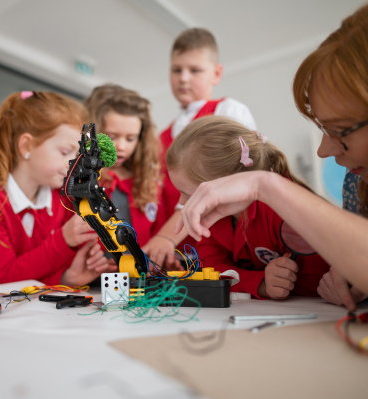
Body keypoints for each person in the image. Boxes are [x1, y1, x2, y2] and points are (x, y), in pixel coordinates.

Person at [175, 0, 368, 321]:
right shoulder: (361, 183)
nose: (323, 151)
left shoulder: (282, 212)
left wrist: (265, 186)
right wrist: (355, 274)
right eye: (323, 129)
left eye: (340, 130)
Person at [0, 91, 115, 288]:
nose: (74, 164)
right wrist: (64, 239)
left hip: (16, 297)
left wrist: (70, 274)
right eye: (65, 152)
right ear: (27, 145)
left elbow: (47, 267)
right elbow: (7, 277)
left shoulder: (61, 199)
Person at [166, 116, 330, 299]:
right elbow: (210, 268)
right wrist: (261, 283)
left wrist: (281, 281)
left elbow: (325, 277)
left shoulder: (279, 204)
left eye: (188, 193)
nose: (181, 201)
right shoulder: (214, 217)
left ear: (223, 183)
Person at [146, 27, 257, 270]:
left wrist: (166, 237)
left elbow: (230, 182)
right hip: (174, 254)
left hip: (218, 247)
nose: (183, 78)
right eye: (176, 70)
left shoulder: (228, 110)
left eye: (194, 70)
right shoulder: (163, 134)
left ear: (216, 74)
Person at [84, 84, 166, 248]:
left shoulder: (149, 183)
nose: (121, 147)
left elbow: (158, 236)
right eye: (112, 137)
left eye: (130, 139)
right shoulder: (80, 180)